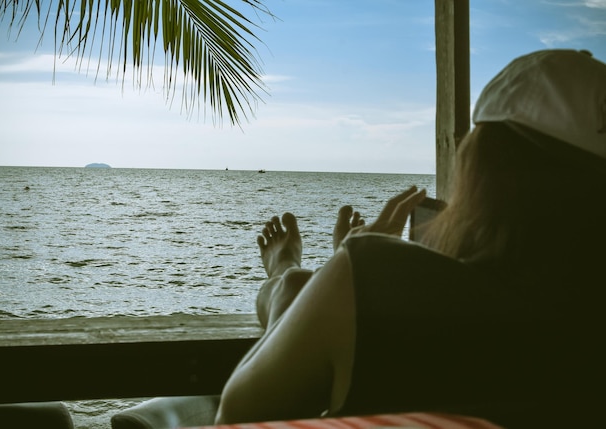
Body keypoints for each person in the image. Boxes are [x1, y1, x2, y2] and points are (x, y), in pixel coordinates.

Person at [214, 49, 606, 427]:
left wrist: (352, 262)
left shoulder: (384, 275)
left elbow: (236, 416)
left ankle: (283, 273)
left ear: (481, 172)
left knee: (296, 284)